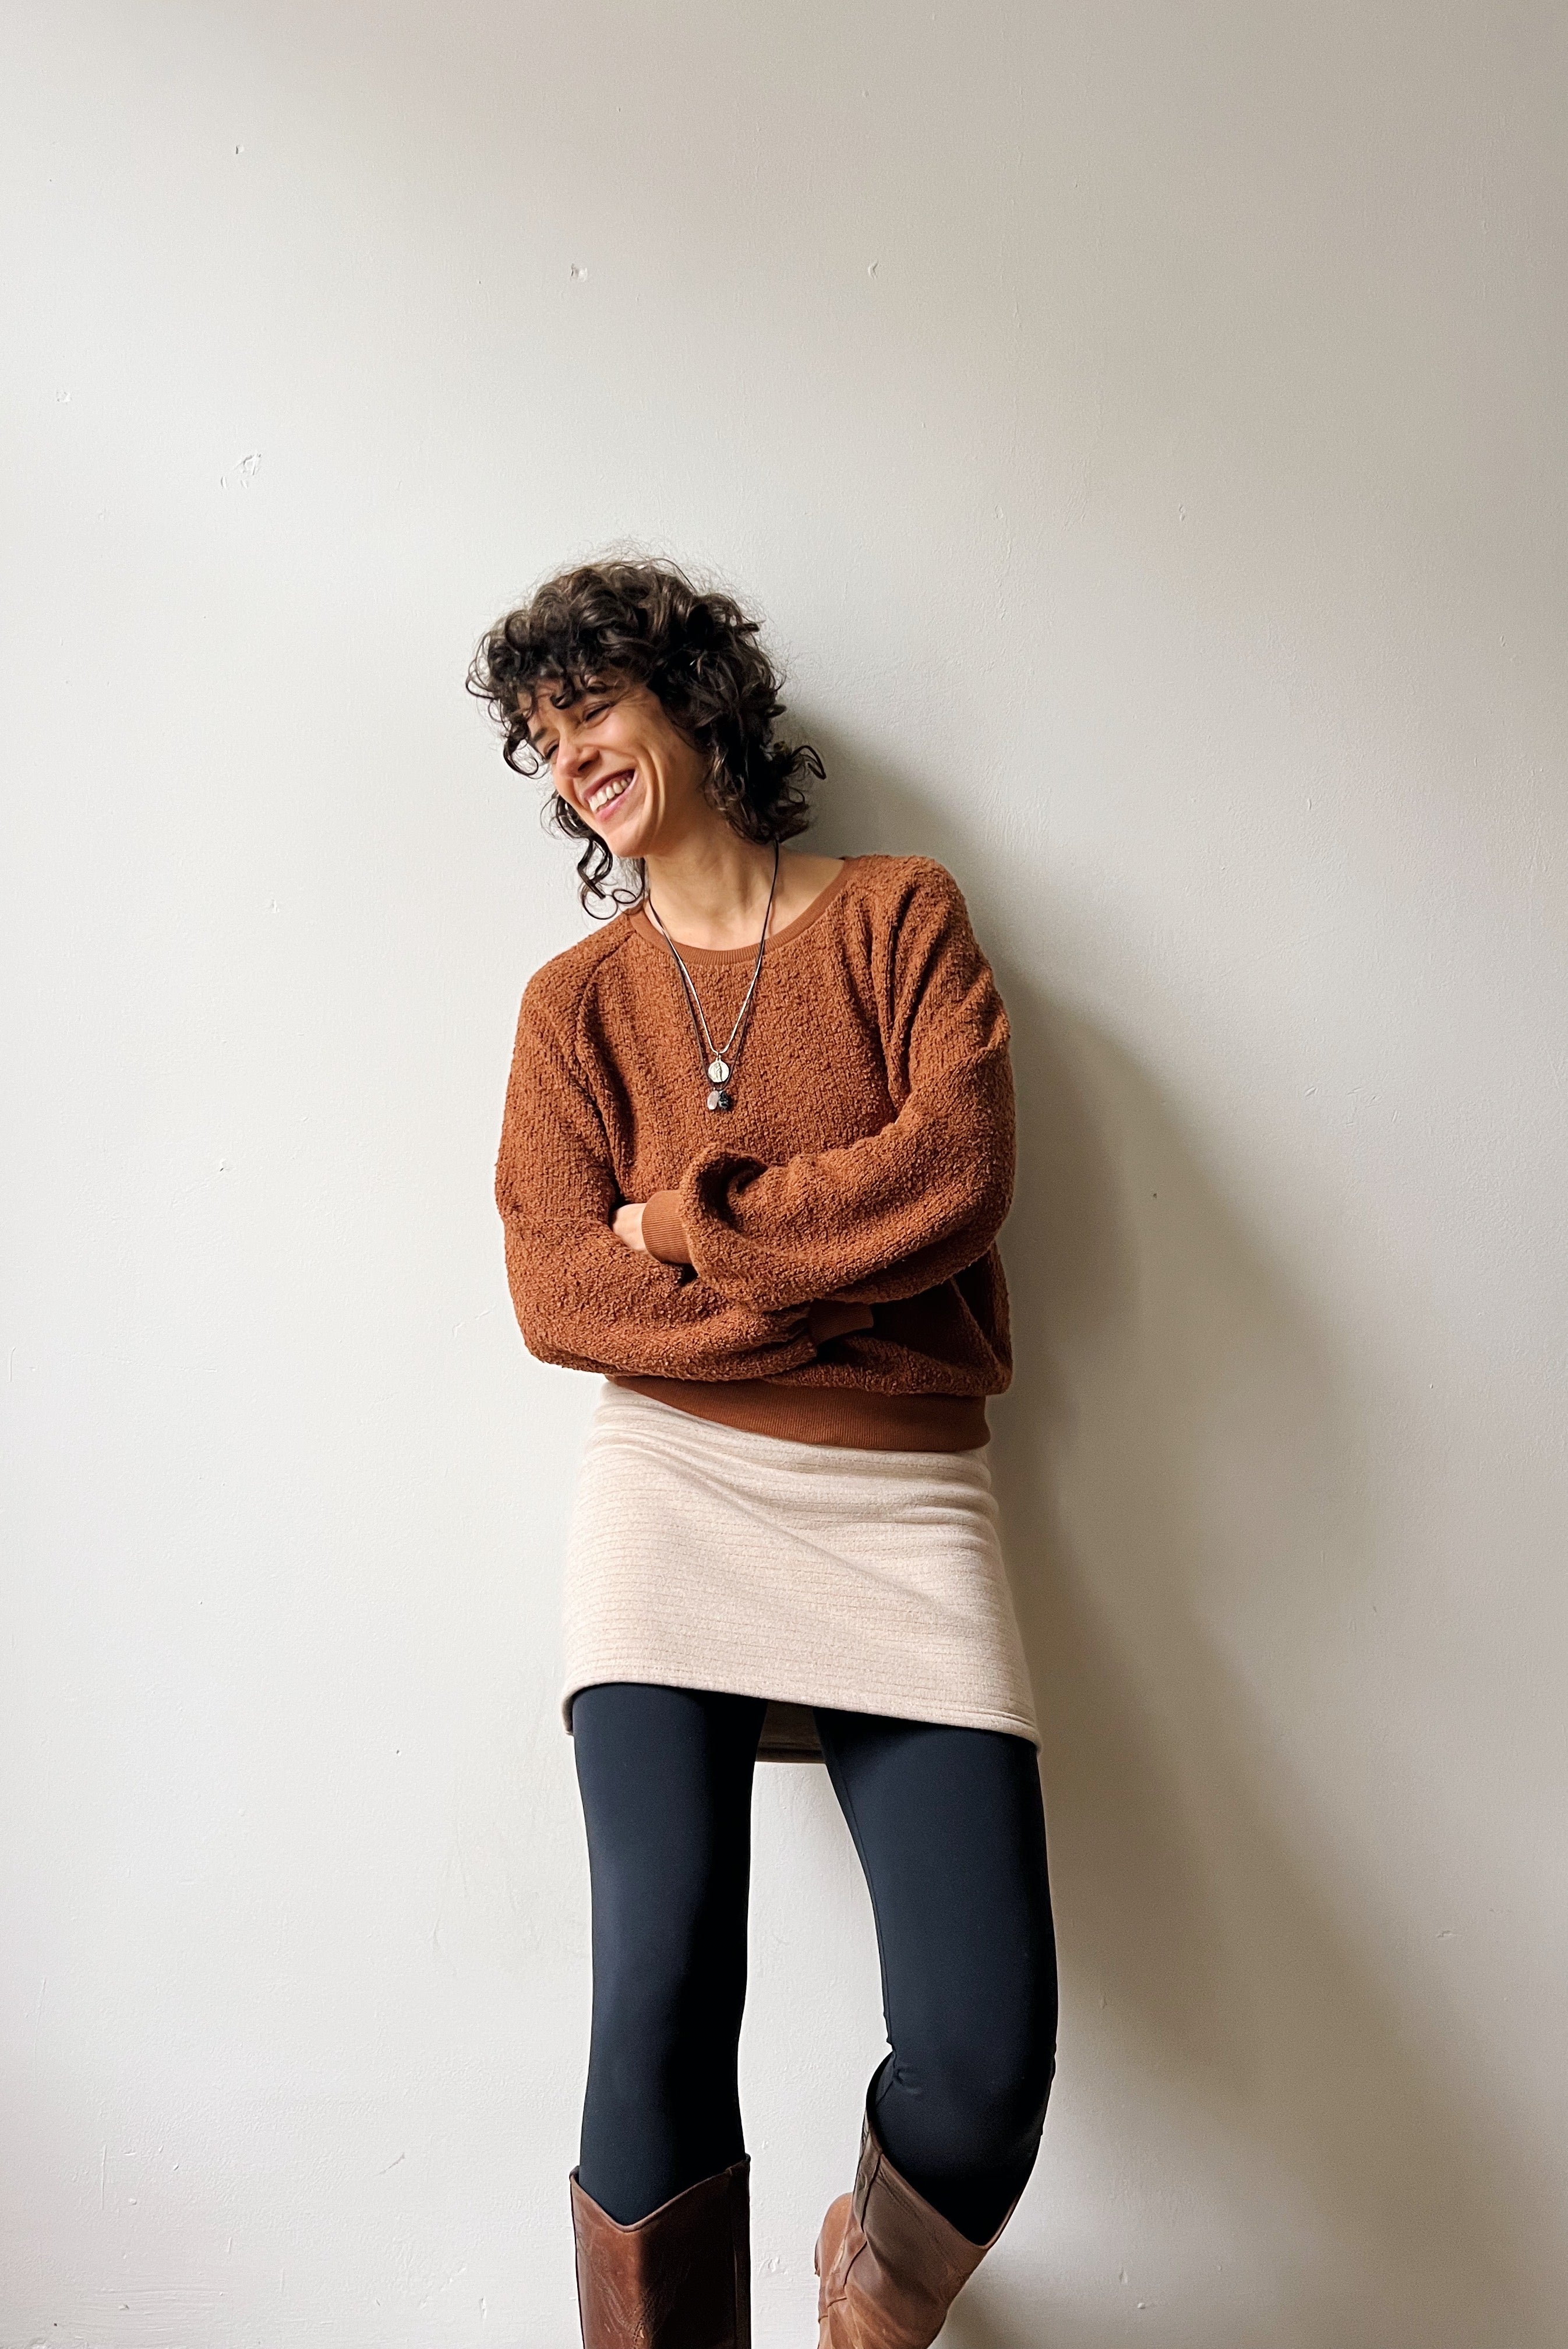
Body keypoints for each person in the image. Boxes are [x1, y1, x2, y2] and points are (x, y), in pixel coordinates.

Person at [471, 558, 1057, 2349]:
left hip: (898, 1501)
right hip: (666, 1505)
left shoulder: (898, 920)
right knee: (655, 1991)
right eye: (540, 740)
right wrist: (823, 1293)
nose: (570, 757)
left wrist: (692, 1223)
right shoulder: (575, 1006)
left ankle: (870, 2291)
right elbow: (555, 1282)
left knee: (982, 2051)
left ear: (691, 701)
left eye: (590, 710)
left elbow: (950, 1176)